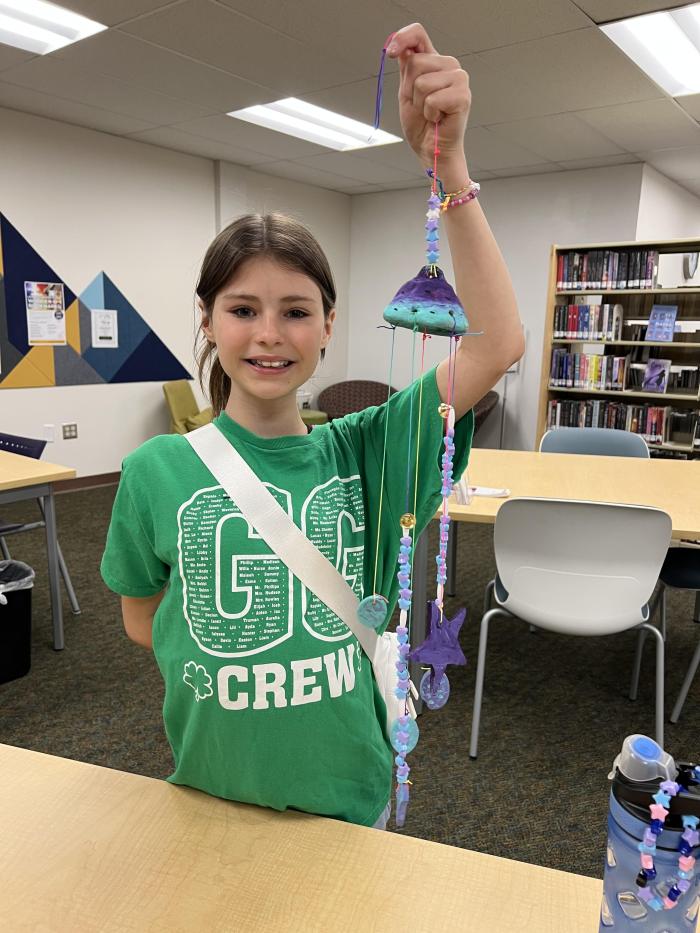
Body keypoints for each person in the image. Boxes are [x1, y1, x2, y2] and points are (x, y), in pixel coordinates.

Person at [100, 22, 524, 830]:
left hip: (345, 794)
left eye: (296, 311)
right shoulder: (155, 468)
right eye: (243, 309)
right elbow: (141, 617)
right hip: (209, 790)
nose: (269, 333)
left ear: (329, 325)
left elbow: (498, 342)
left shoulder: (367, 448)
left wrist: (450, 168)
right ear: (208, 320)